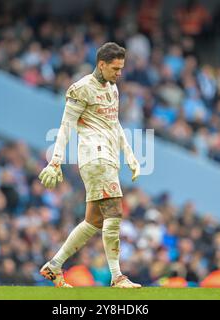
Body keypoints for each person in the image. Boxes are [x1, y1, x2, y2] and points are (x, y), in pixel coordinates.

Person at [38, 42, 141, 288]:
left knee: (94, 221)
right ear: (101, 64)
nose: (119, 73)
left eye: (121, 68)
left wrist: (130, 155)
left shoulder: (113, 89)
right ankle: (117, 277)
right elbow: (66, 126)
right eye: (115, 68)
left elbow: (114, 125)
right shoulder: (81, 88)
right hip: (95, 157)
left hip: (109, 157)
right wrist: (55, 161)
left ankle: (53, 266)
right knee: (115, 211)